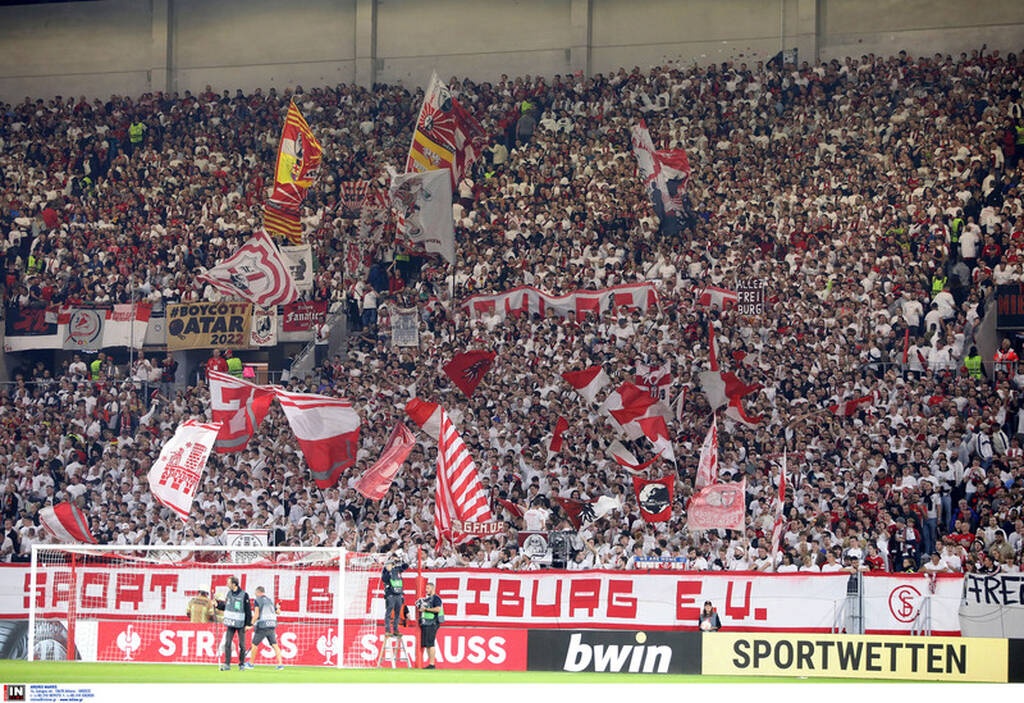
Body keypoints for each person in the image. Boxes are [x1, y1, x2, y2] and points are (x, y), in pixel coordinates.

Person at [216, 576, 253, 671]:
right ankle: (227, 664)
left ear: (234, 584)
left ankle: (241, 664)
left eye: (228, 583)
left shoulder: (244, 595)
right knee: (227, 643)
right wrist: (218, 605)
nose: (227, 585)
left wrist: (248, 624)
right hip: (230, 623)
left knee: (242, 645)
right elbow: (227, 606)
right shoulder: (229, 594)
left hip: (241, 624)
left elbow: (248, 610)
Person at [251, 586, 285, 670]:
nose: (255, 594)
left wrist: (250, 624)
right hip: (272, 625)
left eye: (255, 593)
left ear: (258, 592)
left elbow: (256, 615)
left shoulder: (257, 600)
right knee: (275, 645)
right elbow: (278, 612)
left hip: (262, 625)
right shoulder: (270, 600)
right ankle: (280, 664)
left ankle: (251, 664)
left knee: (254, 644)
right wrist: (278, 607)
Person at [416, 581, 443, 669]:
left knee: (430, 644)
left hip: (433, 622)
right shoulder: (428, 599)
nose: (426, 590)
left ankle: (432, 664)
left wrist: (426, 609)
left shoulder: (436, 598)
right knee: (428, 644)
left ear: (432, 588)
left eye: (428, 588)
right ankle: (430, 663)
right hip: (427, 622)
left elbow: (438, 609)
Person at [381, 555, 409, 637]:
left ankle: (396, 630)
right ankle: (388, 630)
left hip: (398, 594)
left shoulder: (397, 570)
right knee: (389, 613)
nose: (388, 566)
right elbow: (384, 579)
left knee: (398, 613)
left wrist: (400, 560)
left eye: (390, 564)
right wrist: (388, 571)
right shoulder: (385, 572)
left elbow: (406, 566)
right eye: (387, 565)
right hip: (390, 594)